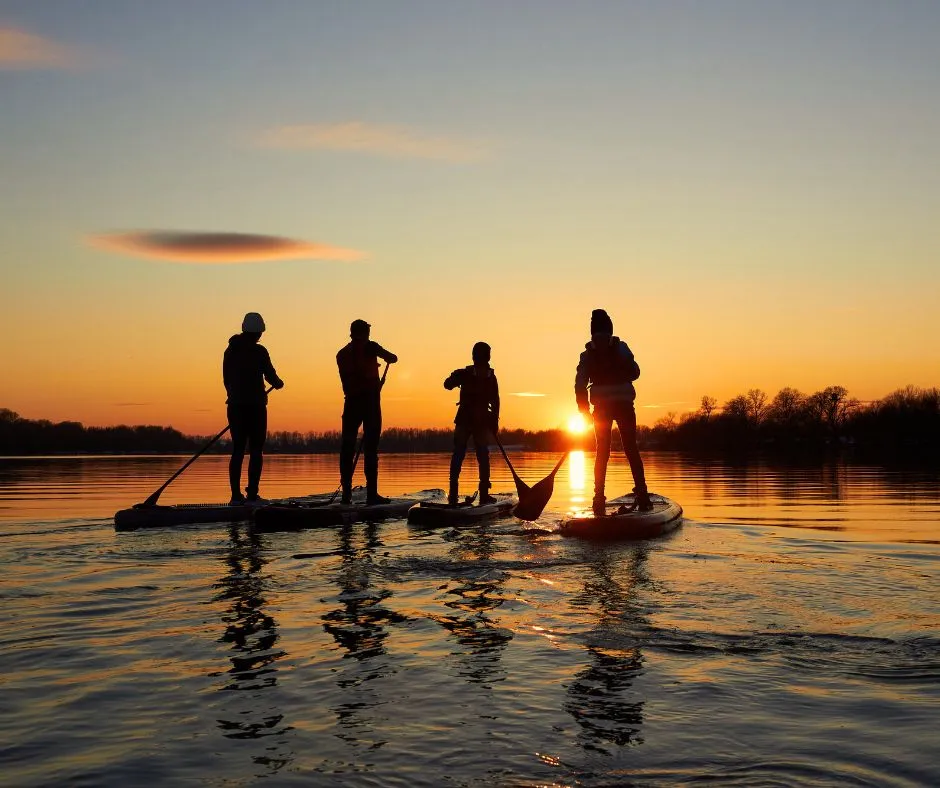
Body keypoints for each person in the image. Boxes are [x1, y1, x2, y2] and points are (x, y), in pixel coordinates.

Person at [575, 309, 651, 516]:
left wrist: (583, 408)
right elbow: (635, 373)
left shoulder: (587, 355)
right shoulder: (621, 348)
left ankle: (598, 499)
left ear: (592, 332)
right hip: (624, 405)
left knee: (602, 452)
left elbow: (579, 383)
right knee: (631, 449)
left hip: (601, 409)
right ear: (610, 330)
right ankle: (643, 496)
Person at [223, 312, 284, 504]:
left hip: (235, 406)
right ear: (258, 332)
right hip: (256, 407)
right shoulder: (260, 352)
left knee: (238, 449)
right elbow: (272, 377)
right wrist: (279, 383)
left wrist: (235, 396)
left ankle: (235, 496)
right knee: (256, 450)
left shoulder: (230, 351)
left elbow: (226, 379)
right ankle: (251, 495)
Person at [336, 319, 398, 505]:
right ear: (363, 333)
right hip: (369, 404)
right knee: (371, 449)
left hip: (351, 404)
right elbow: (393, 358)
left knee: (347, 448)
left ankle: (346, 493)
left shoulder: (341, 353)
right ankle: (372, 495)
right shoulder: (371, 347)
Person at [444, 342, 500, 506]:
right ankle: (472, 493)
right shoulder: (469, 374)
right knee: (474, 454)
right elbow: (447, 385)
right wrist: (455, 377)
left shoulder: (487, 376)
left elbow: (495, 401)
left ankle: (464, 493)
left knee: (467, 454)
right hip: (470, 420)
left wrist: (494, 421)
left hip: (477, 421)